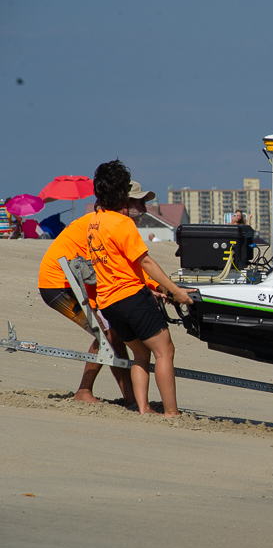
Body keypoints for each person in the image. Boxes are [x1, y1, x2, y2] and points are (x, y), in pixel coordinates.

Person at [88, 159, 195, 417]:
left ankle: (144, 408)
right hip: (131, 297)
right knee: (164, 351)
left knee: (140, 354)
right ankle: (171, 411)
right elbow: (145, 261)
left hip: (108, 302)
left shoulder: (96, 221)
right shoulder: (122, 223)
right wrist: (175, 291)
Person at [37, 205, 136, 405]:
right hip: (58, 285)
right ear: (124, 205)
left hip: (71, 282)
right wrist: (95, 306)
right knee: (106, 335)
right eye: (139, 204)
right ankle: (84, 391)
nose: (144, 209)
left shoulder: (105, 221)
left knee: (114, 336)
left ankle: (131, 398)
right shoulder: (102, 223)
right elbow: (96, 266)